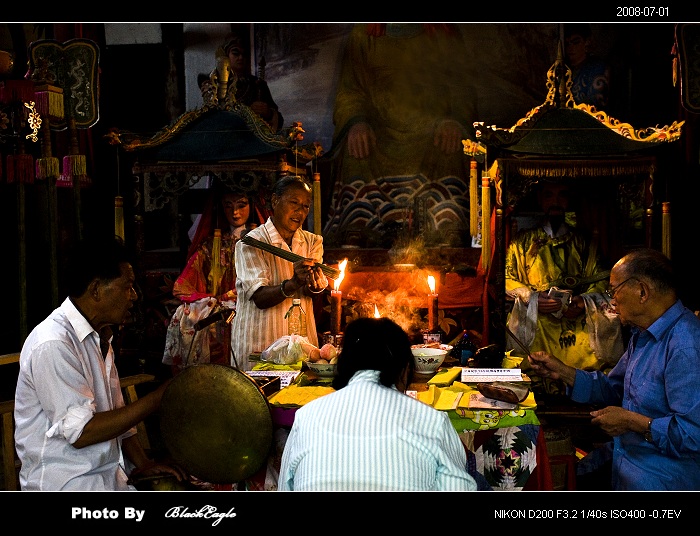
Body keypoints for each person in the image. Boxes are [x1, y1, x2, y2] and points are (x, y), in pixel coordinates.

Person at [14, 236, 188, 491]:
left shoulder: (99, 336)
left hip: (109, 476)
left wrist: (143, 464)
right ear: (96, 289)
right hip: (68, 483)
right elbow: (82, 432)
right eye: (127, 287)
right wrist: (159, 397)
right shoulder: (53, 343)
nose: (135, 296)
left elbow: (118, 414)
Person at [528, 248, 700, 491]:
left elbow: (693, 435)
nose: (611, 300)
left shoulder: (686, 345)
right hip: (624, 462)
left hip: (660, 478)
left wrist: (632, 422)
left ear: (642, 291)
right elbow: (613, 388)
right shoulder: (642, 335)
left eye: (614, 290)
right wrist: (563, 372)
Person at [323, 23, 478, 249]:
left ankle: (446, 230)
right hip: (379, 132)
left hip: (431, 132)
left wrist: (454, 121)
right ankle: (359, 228)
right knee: (355, 147)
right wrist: (357, 122)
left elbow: (461, 86)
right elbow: (350, 90)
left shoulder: (443, 32)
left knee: (452, 147)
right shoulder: (364, 34)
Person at [278, 316, 477, 491]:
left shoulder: (306, 417)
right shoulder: (432, 421)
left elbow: (285, 487)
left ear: (343, 364)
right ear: (405, 368)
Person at [505, 181, 624, 395]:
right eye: (549, 195)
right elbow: (507, 278)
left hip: (576, 316)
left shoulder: (584, 242)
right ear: (541, 200)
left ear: (569, 201)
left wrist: (582, 302)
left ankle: (583, 385)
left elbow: (602, 280)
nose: (556, 202)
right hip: (538, 317)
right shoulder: (522, 242)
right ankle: (536, 387)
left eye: (562, 195)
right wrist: (531, 297)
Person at [232, 176, 328, 372]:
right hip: (260, 344)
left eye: (305, 206)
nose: (300, 212)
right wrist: (293, 283)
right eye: (294, 203)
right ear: (275, 201)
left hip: (300, 347)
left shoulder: (313, 242)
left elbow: (310, 292)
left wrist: (315, 286)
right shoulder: (250, 242)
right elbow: (259, 297)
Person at [162, 187, 262, 374]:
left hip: (253, 304)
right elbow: (182, 285)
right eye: (228, 206)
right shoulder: (211, 245)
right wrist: (210, 300)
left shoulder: (261, 242)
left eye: (241, 205)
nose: (235, 212)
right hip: (222, 308)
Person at [209, 33, 283, 132]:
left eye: (244, 55)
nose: (240, 58)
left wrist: (268, 113)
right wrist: (248, 111)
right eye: (236, 53)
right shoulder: (216, 84)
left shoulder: (257, 85)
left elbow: (279, 120)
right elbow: (212, 117)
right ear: (226, 56)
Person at [564, 23, 610, 110]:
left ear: (586, 42)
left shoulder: (597, 68)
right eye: (567, 44)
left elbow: (595, 104)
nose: (570, 48)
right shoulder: (562, 69)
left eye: (576, 42)